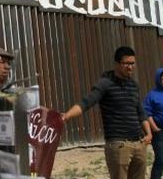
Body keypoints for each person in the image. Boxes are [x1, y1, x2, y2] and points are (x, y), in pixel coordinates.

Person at [62, 46, 152, 179]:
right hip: (119, 145)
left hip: (139, 144)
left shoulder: (133, 85)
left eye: (132, 63)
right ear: (117, 64)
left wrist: (149, 133)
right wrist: (66, 116)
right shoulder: (105, 84)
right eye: (126, 63)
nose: (130, 67)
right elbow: (87, 102)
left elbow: (140, 111)